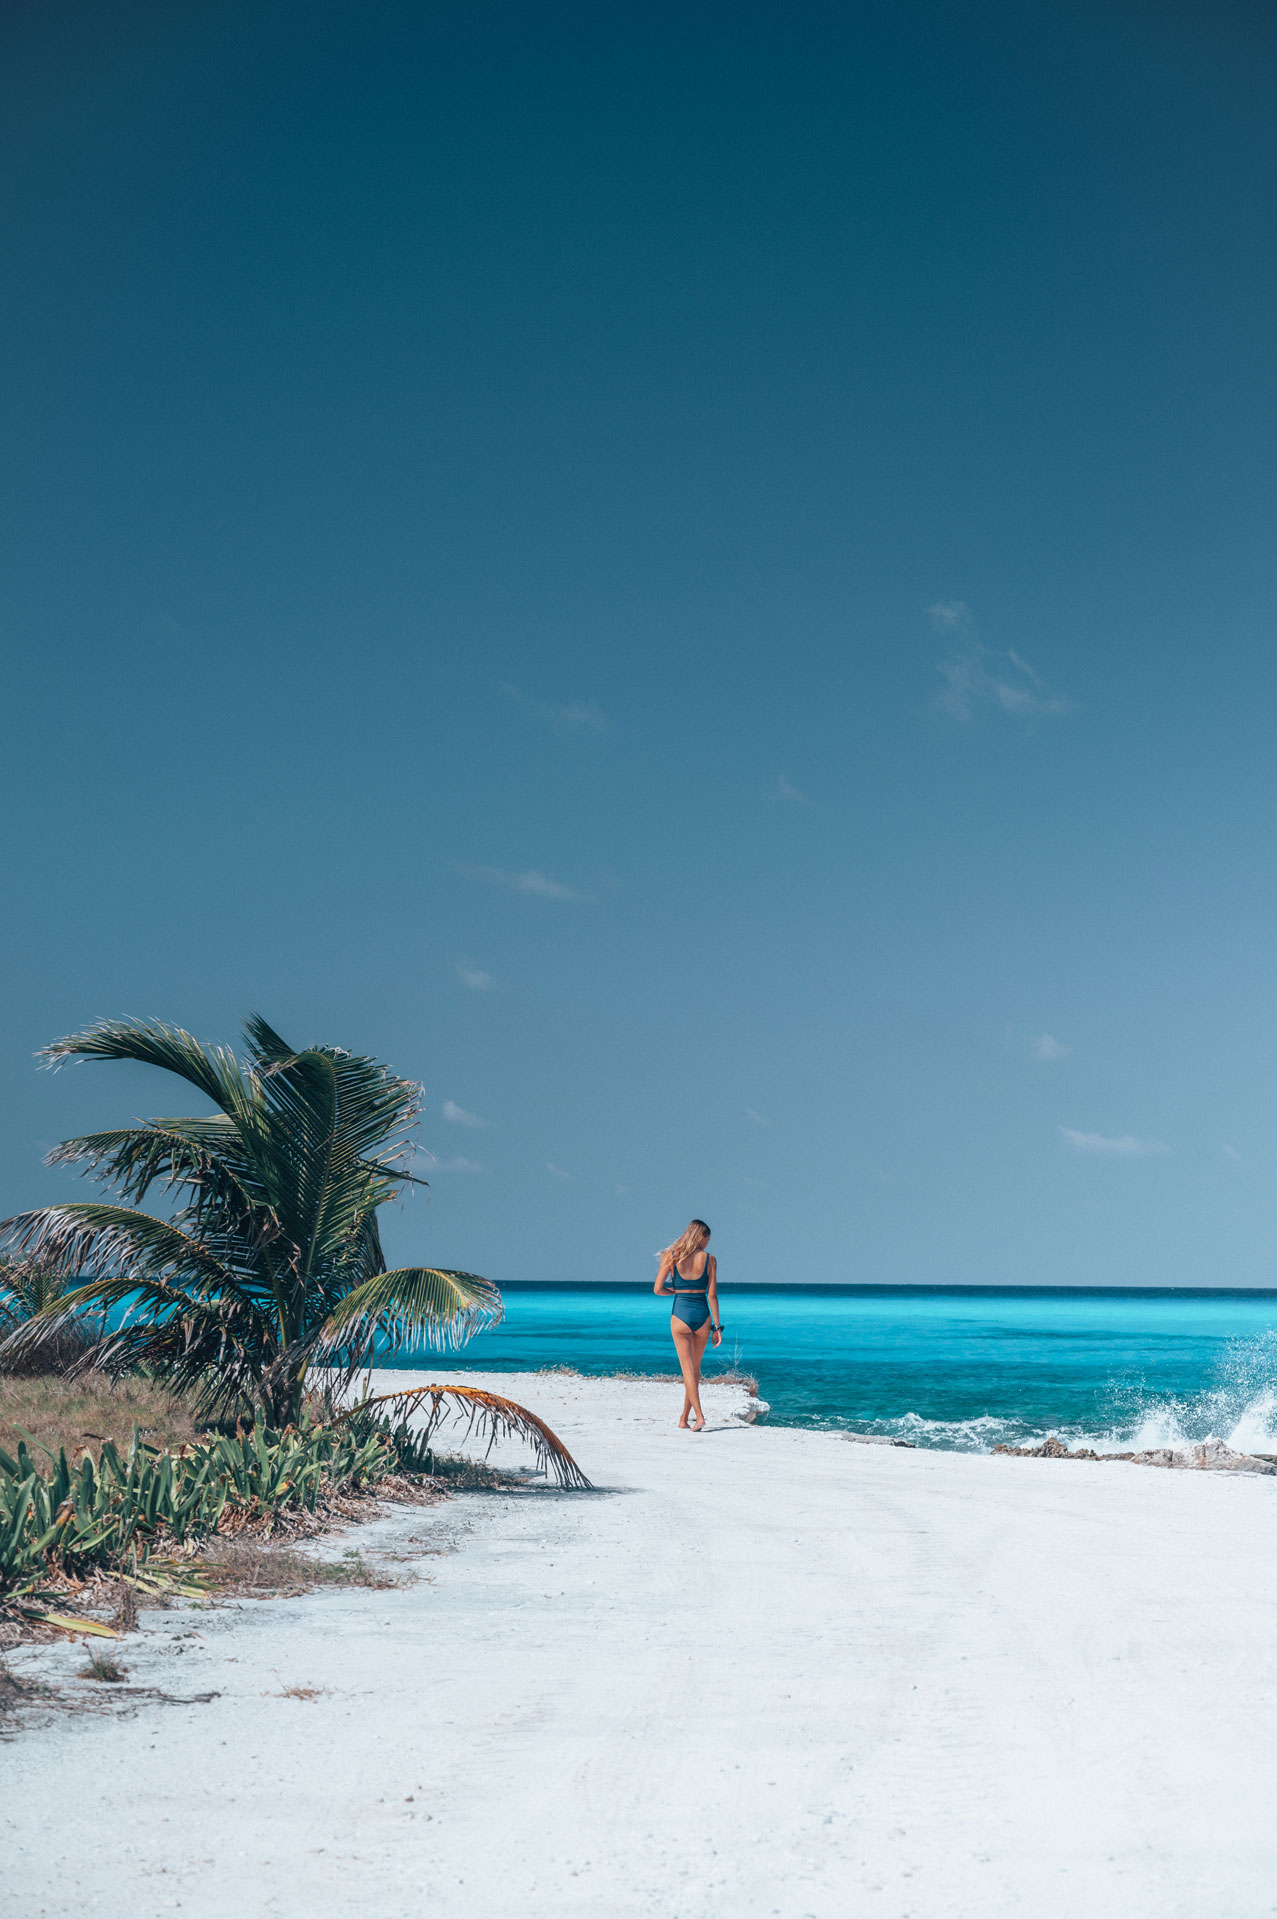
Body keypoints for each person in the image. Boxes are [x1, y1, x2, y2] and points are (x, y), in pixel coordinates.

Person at [654, 1218, 722, 1430]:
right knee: (694, 1371)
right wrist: (718, 1328)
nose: (708, 1243)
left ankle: (699, 1417)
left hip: (680, 1315)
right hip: (702, 1317)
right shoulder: (710, 1259)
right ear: (700, 1237)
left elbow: (657, 1289)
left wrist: (673, 1291)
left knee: (688, 1372)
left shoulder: (671, 1257)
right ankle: (683, 1419)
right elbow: (712, 1296)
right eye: (707, 1239)